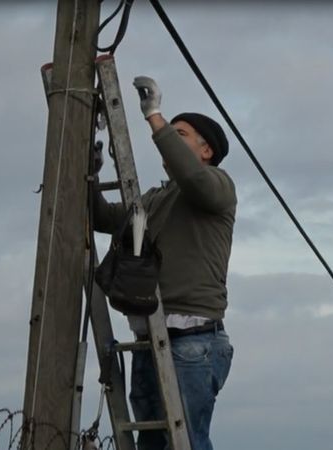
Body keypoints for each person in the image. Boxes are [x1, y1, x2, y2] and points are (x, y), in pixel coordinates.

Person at [93, 76, 236, 450]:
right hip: (152, 336)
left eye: (180, 134)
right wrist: (89, 174)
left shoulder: (218, 185)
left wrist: (154, 116)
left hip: (193, 339)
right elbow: (103, 217)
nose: (169, 138)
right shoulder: (155, 198)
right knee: (153, 444)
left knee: (185, 442)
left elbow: (193, 177)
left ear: (206, 150)